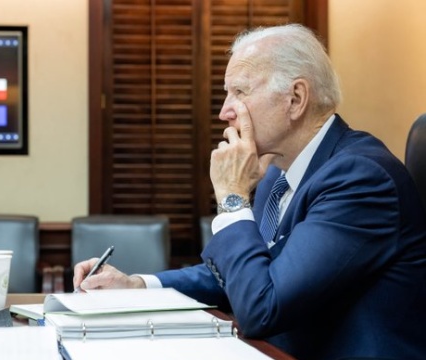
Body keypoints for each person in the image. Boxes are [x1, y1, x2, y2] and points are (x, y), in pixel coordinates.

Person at [73, 24, 426, 359]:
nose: (225, 111)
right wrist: (138, 285)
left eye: (240, 92)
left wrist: (232, 199)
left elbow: (263, 307)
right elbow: (246, 272)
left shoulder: (359, 178)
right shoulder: (278, 173)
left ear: (295, 98)